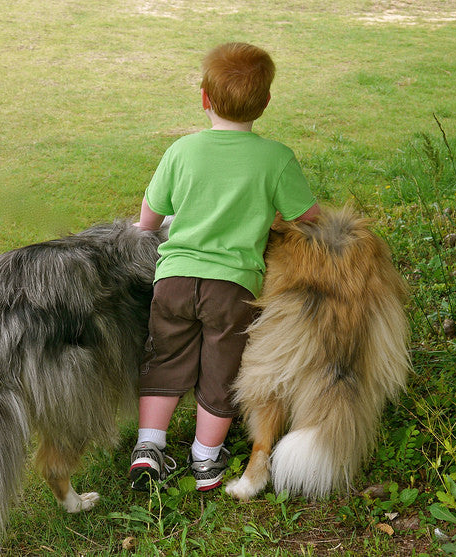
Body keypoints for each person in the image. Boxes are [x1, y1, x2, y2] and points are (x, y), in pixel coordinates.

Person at [129, 42, 320, 492]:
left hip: (172, 279)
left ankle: (148, 449)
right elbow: (307, 218)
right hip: (232, 287)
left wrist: (144, 226)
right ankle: (206, 460)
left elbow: (152, 212)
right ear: (266, 102)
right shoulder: (276, 158)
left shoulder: (182, 151)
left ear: (204, 98)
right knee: (221, 368)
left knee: (165, 356)